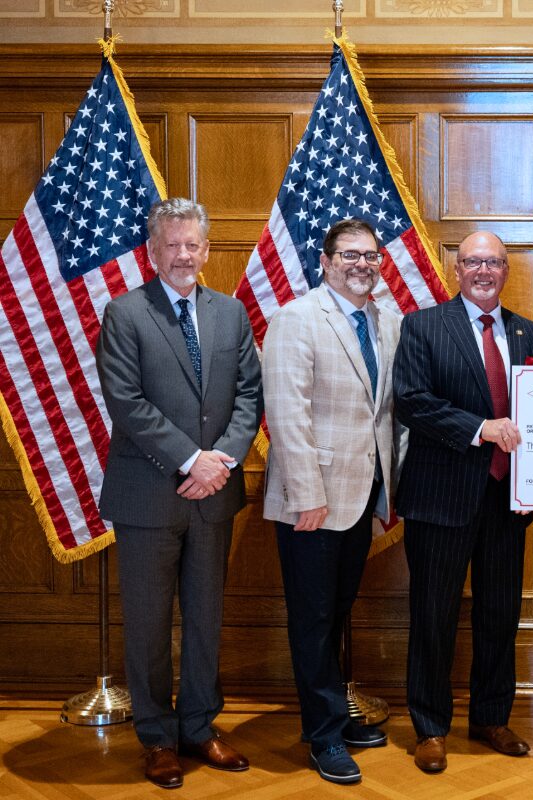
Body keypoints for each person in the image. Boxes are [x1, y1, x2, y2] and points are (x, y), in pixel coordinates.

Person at [97, 198, 262, 789]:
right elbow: (127, 402)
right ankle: (157, 737)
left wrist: (220, 462)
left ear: (207, 249)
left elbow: (249, 395)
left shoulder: (231, 313)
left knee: (205, 618)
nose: (184, 255)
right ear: (153, 250)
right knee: (146, 624)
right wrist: (192, 459)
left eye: (193, 244)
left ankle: (199, 726)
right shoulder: (125, 312)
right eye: (172, 245)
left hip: (214, 494)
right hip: (148, 496)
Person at [393, 231, 533, 774]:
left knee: (499, 613)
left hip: (508, 499)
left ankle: (490, 716)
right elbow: (412, 403)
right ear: (456, 269)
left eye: (494, 263)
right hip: (440, 497)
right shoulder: (423, 326)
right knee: (433, 613)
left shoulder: (531, 333)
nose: (484, 271)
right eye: (473, 262)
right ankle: (430, 726)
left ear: (507, 270)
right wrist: (480, 428)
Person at [262, 219, 402, 785]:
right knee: (314, 618)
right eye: (349, 255)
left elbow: (387, 414)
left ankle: (335, 717)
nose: (361, 264)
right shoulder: (297, 319)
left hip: (362, 495)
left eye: (370, 255)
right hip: (313, 502)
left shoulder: (388, 323)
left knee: (337, 613)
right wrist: (307, 496)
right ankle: (322, 737)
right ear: (325, 261)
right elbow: (287, 414)